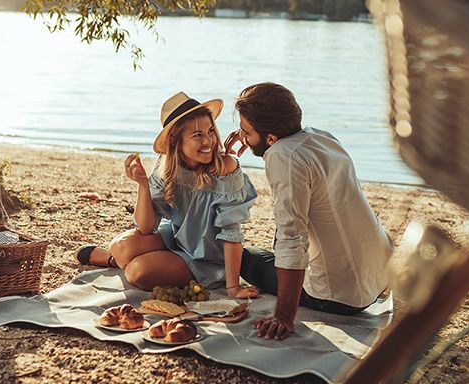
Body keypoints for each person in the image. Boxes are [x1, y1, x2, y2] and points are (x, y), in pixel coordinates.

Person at [224, 82, 393, 340]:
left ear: (271, 137)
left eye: (246, 132)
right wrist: (252, 135)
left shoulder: (283, 156)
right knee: (271, 247)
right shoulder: (320, 137)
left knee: (243, 259)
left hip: (339, 297)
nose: (242, 137)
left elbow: (293, 240)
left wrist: (283, 317)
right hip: (380, 274)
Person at [75, 91, 259, 299]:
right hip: (175, 238)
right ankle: (114, 259)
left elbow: (231, 233)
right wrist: (143, 185)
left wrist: (233, 287)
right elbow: (145, 227)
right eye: (197, 135)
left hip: (207, 258)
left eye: (210, 131)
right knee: (119, 247)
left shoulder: (226, 168)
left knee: (137, 272)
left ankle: (120, 261)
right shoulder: (166, 167)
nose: (208, 141)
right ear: (175, 141)